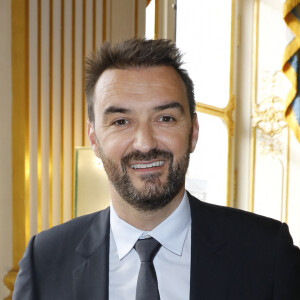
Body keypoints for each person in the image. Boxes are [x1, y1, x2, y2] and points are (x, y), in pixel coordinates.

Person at [13, 38, 300, 300]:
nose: (145, 143)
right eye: (121, 122)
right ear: (94, 141)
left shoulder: (268, 252)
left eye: (164, 118)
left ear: (193, 132)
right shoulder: (45, 260)